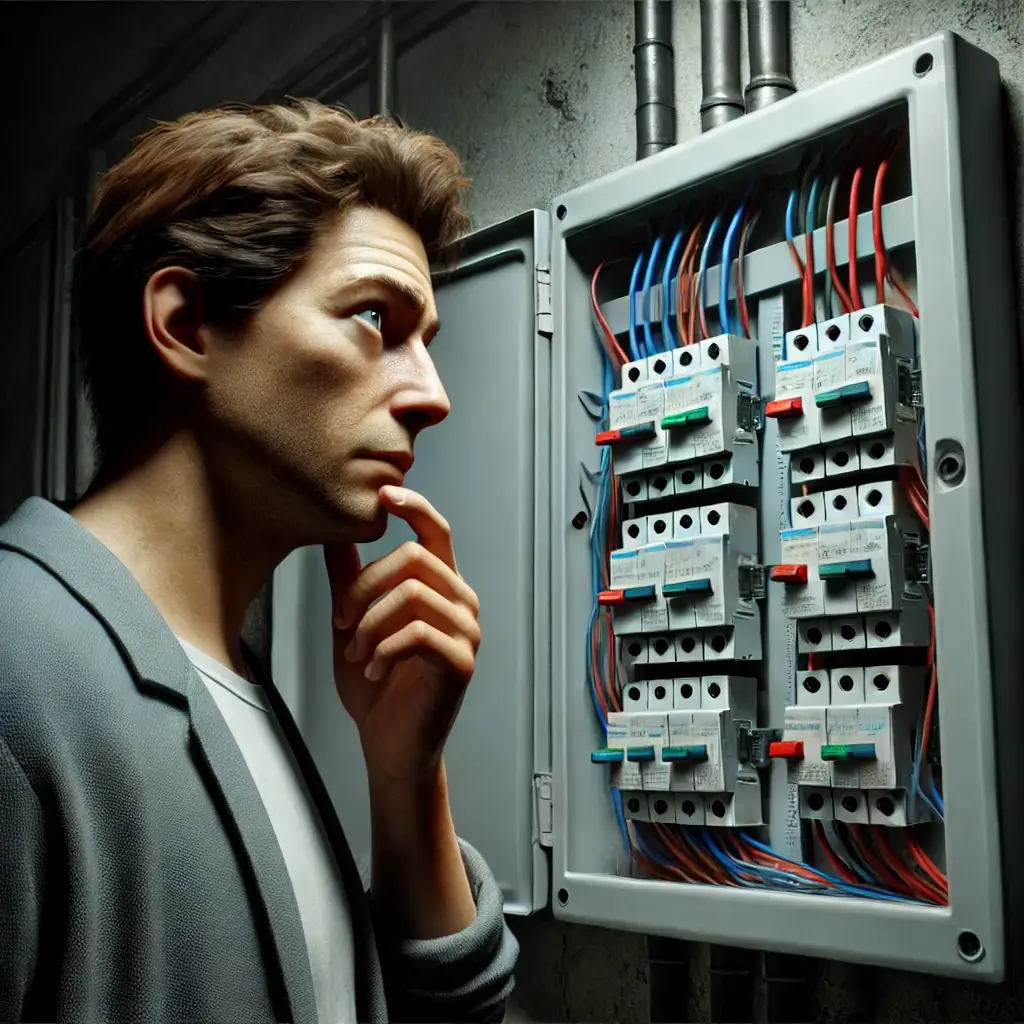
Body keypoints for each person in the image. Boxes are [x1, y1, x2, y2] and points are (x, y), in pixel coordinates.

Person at [0, 99, 518, 1023]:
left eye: (425, 343)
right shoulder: (15, 669)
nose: (432, 398)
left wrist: (406, 778)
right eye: (374, 319)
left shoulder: (237, 691)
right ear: (187, 324)